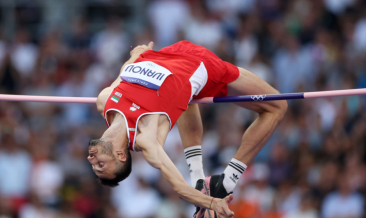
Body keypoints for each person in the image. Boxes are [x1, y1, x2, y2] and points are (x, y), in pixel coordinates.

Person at [88, 40, 287, 218]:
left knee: (181, 99)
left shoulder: (104, 101)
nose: (92, 161)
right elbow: (179, 188)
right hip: (200, 65)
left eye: (95, 166)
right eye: (101, 166)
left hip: (167, 52)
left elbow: (124, 75)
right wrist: (213, 203)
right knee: (278, 106)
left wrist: (135, 55)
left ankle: (200, 178)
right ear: (121, 155)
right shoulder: (145, 138)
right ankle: (227, 180)